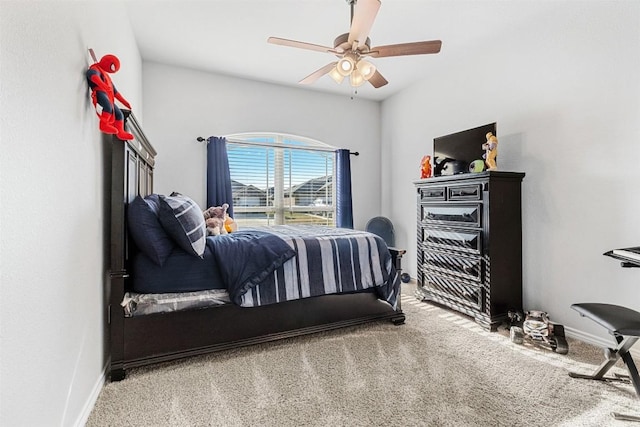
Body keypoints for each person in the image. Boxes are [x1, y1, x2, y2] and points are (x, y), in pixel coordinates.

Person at [86, 54, 134, 140]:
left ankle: (120, 132)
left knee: (119, 114)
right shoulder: (96, 68)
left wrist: (125, 102)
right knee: (107, 107)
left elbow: (115, 92)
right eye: (112, 68)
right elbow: (91, 74)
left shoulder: (107, 77)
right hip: (100, 91)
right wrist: (102, 85)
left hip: (108, 96)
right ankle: (104, 124)